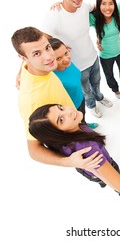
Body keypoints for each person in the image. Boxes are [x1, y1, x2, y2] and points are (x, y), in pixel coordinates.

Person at [11, 26, 98, 171]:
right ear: (23, 57)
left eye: (47, 47)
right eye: (37, 53)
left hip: (73, 108)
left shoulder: (32, 64)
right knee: (95, 168)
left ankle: (85, 126)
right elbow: (33, 149)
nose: (49, 57)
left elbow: (37, 42)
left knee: (83, 121)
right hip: (70, 137)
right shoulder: (32, 100)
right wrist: (69, 161)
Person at [42, 0, 112, 118]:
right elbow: (40, 44)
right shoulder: (54, 15)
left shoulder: (84, 6)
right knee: (85, 90)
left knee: (97, 83)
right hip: (76, 67)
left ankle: (99, 96)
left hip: (93, 58)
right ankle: (91, 105)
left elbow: (101, 6)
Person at [49, 38, 98, 129]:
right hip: (71, 107)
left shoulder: (68, 63)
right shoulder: (54, 78)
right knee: (76, 124)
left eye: (66, 53)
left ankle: (85, 125)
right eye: (59, 58)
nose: (66, 59)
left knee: (83, 116)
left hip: (80, 97)